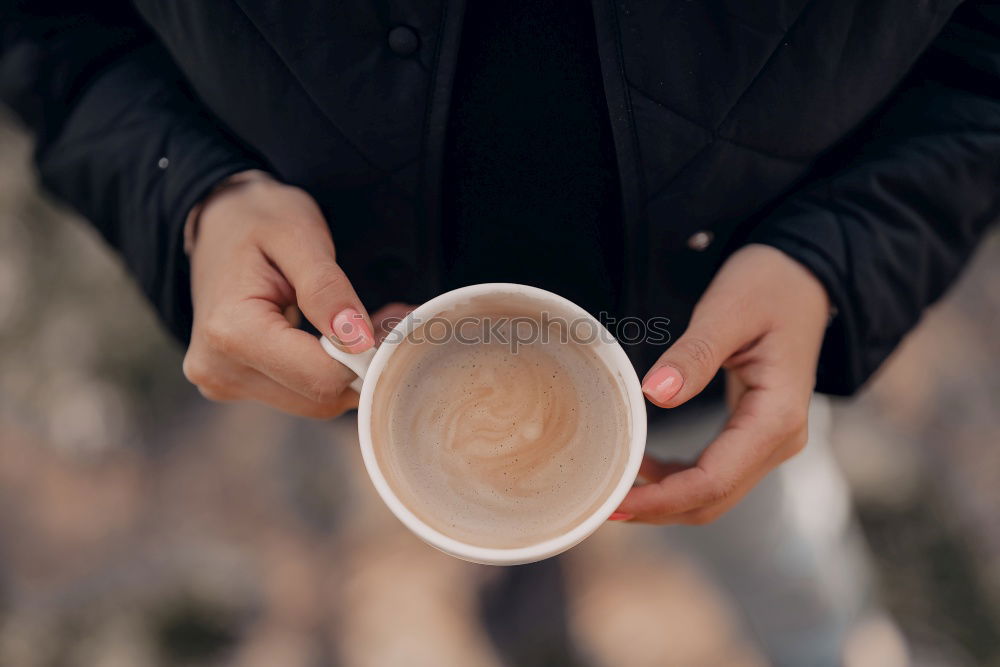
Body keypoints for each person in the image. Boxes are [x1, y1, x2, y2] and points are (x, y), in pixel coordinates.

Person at [2, 0, 997, 664]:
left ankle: (827, 640)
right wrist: (193, 195)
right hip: (380, 360)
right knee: (479, 494)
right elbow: (48, 23)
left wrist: (833, 260)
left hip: (708, 356)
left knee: (779, 548)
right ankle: (528, 569)